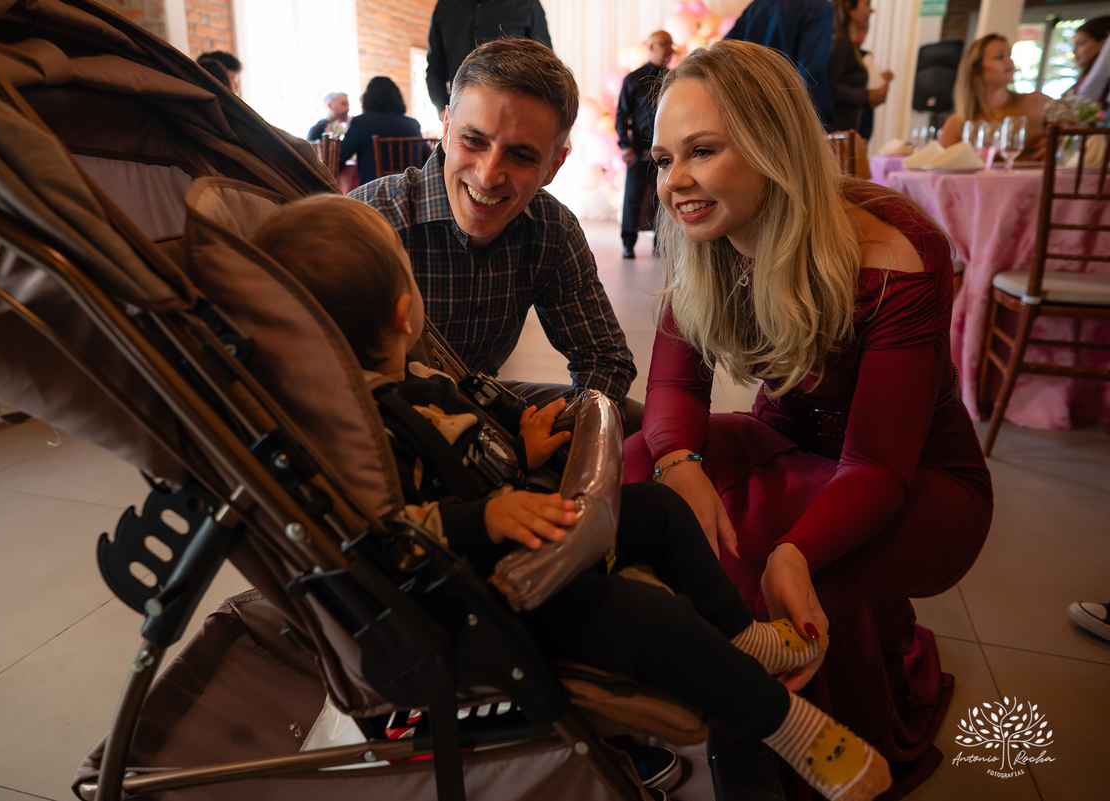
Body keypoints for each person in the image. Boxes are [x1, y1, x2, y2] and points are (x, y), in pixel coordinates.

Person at [251, 191, 894, 801]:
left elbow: (454, 453)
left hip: (522, 539)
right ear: (403, 313)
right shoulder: (359, 434)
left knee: (661, 510)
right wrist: (486, 517)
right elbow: (392, 535)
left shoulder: (411, 378)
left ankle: (741, 634)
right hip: (484, 599)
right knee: (647, 616)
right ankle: (788, 727)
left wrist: (518, 453)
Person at [624, 40, 993, 796]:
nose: (674, 180)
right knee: (637, 467)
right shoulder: (704, 235)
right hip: (793, 438)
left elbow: (877, 464)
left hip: (918, 475)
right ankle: (714, 687)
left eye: (702, 151)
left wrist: (794, 553)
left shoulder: (896, 251)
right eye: (663, 159)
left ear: (774, 146)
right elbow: (675, 386)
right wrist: (677, 462)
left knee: (780, 567)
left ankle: (793, 749)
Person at [351, 39, 639, 428]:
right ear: (447, 128)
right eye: (473, 140)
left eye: (521, 155)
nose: (488, 176)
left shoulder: (552, 230)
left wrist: (554, 435)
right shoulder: (372, 222)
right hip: (376, 421)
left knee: (631, 417)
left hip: (478, 407)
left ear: (553, 166)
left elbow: (605, 359)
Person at [425, 0, 552, 119]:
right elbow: (435, 68)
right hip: (461, 115)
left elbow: (545, 67)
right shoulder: (445, 6)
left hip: (514, 116)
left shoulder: (528, 4)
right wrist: (442, 110)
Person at [726, 0, 836, 127]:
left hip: (751, 113)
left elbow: (724, 54)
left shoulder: (757, 6)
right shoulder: (818, 8)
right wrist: (825, 125)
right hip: (788, 116)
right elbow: (812, 75)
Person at [937, 34, 1047, 159]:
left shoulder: (1036, 101)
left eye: (1009, 54)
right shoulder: (958, 122)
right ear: (976, 69)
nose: (1009, 60)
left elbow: (1066, 129)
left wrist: (1058, 140)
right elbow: (942, 167)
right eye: (999, 57)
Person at [616, 31, 674, 260]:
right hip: (639, 149)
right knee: (634, 196)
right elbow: (622, 115)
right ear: (650, 47)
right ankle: (628, 243)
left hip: (667, 149)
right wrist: (624, 145)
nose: (669, 48)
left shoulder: (675, 78)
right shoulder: (634, 79)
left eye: (671, 44)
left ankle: (661, 243)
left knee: (664, 196)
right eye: (664, 43)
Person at [827, 0, 893, 140]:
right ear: (848, 6)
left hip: (845, 134)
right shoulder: (840, 42)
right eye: (867, 4)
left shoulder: (848, 43)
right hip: (837, 136)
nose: (871, 10)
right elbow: (828, 88)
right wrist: (867, 95)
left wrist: (871, 97)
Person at [338, 77, 422, 186]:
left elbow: (340, 157)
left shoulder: (361, 122)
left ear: (368, 98)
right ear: (397, 97)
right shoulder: (413, 124)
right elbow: (425, 159)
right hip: (412, 190)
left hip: (374, 192)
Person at [1067, 16, 1110, 106]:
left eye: (1081, 44)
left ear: (1103, 44)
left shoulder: (1104, 89)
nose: (1074, 51)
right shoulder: (1084, 79)